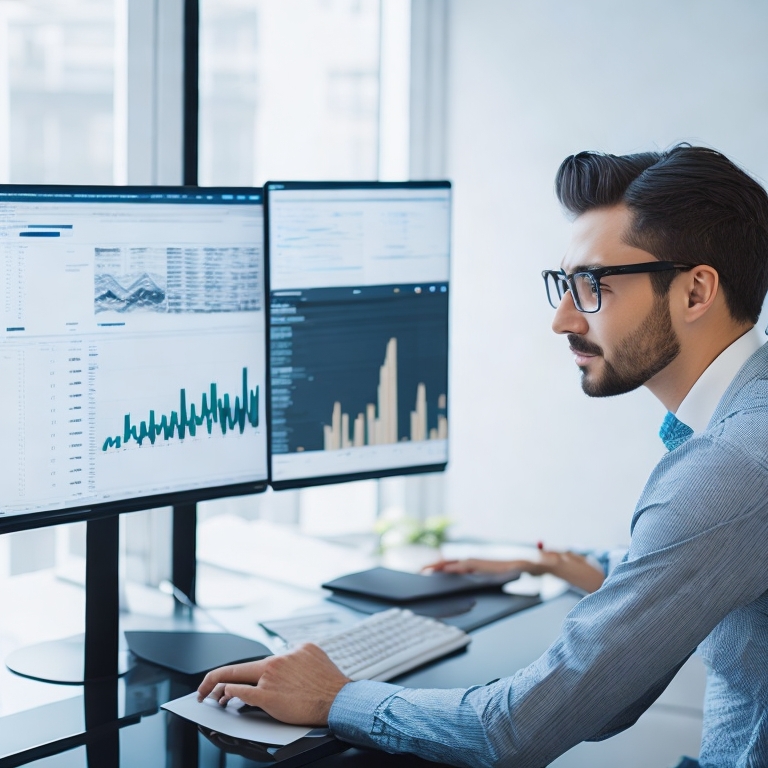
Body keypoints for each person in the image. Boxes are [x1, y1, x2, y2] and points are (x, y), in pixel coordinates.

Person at [198, 146, 768, 768]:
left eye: (592, 286)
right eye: (563, 283)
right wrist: (552, 563)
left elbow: (518, 731)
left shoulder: (734, 465)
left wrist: (336, 697)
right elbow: (700, 556)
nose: (561, 319)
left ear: (696, 291)